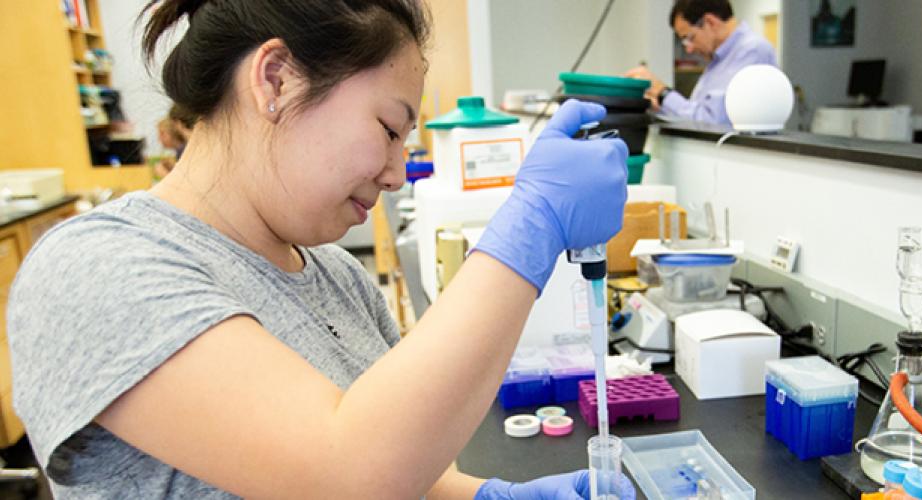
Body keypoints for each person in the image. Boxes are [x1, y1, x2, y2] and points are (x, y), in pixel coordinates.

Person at [7, 1, 633, 499]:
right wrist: (533, 222)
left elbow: (404, 466)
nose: (395, 174)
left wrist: (485, 496)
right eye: (389, 129)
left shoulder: (336, 274)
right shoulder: (96, 269)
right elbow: (348, 477)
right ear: (275, 79)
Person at [624, 0, 778, 126]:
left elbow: (713, 121)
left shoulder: (753, 51)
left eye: (689, 38)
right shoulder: (718, 59)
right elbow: (695, 116)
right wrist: (659, 107)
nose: (689, 49)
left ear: (710, 22)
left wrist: (663, 93)